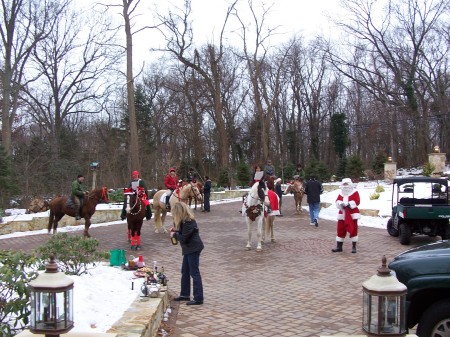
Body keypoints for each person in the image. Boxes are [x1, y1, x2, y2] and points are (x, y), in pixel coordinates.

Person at [170, 202, 204, 305]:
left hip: (193, 249)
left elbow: (184, 238)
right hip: (188, 249)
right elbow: (183, 234)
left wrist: (175, 234)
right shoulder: (184, 222)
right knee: (185, 271)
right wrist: (176, 230)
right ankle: (185, 294)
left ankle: (198, 298)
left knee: (194, 273)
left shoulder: (189, 222)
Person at [332, 178, 361, 253]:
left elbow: (357, 201)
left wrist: (349, 204)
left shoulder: (355, 192)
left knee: (353, 229)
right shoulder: (341, 193)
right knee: (340, 229)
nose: (345, 186)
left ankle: (354, 247)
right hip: (342, 213)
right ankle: (339, 247)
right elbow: (337, 201)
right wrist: (340, 204)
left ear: (350, 185)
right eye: (344, 185)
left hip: (352, 214)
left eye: (347, 184)